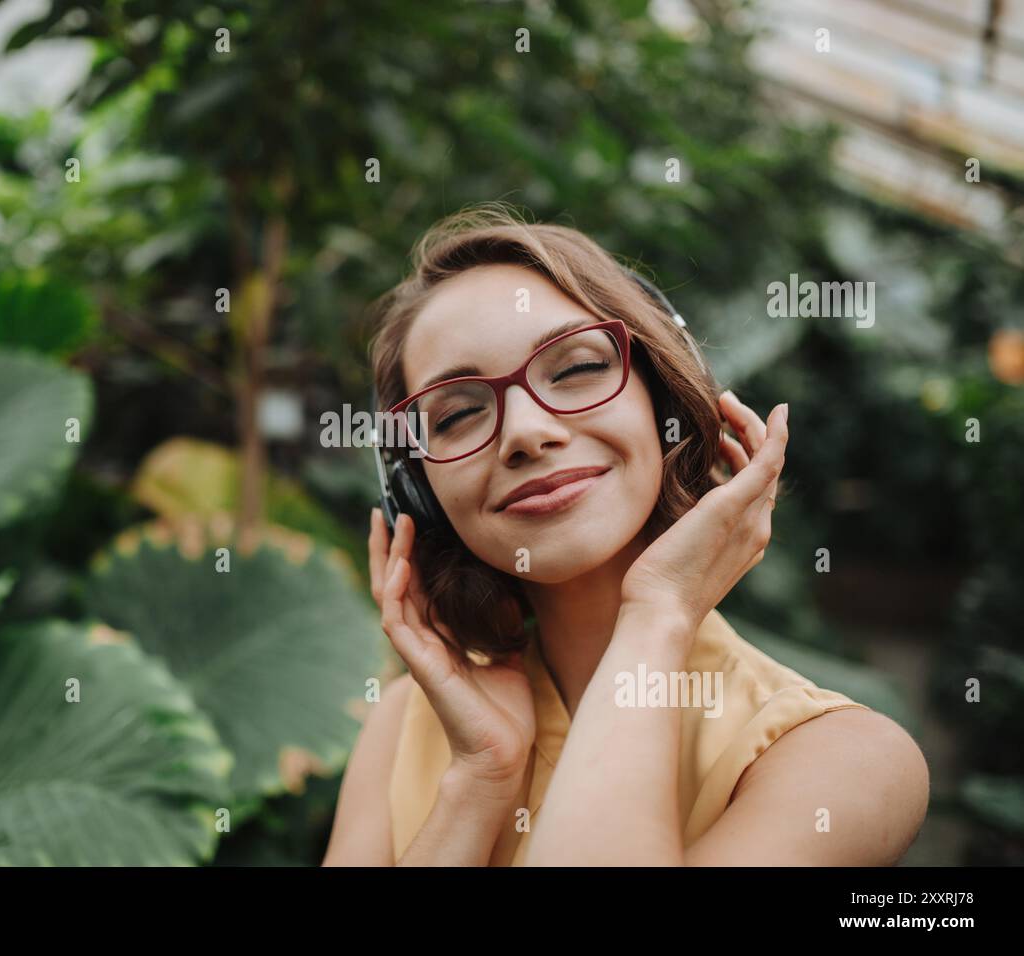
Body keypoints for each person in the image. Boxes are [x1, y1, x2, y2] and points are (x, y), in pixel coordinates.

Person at [322, 203, 929, 866]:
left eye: (577, 369)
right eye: (459, 414)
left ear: (664, 399)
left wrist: (658, 612)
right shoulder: (408, 723)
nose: (524, 432)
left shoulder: (841, 760)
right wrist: (479, 782)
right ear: (418, 491)